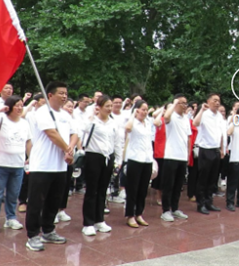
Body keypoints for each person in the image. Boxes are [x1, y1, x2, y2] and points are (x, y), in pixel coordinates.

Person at [25, 82, 77, 252]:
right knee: (36, 202)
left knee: (54, 201)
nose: (64, 96)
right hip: (42, 165)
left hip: (60, 166)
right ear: (50, 95)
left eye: (66, 93)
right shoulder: (42, 112)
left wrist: (70, 150)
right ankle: (32, 235)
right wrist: (68, 149)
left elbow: (74, 133)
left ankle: (48, 230)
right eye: (61, 93)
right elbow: (51, 134)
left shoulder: (66, 115)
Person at [0, 96, 31, 234]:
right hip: (0, 163)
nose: (20, 108)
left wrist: (30, 157)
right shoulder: (0, 119)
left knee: (13, 193)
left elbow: (28, 142)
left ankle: (11, 218)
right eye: (17, 105)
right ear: (9, 107)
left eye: (21, 105)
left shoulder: (24, 123)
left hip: (18, 164)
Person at [80, 95, 122, 236]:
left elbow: (117, 142)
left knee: (103, 190)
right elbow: (82, 130)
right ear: (99, 107)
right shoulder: (92, 122)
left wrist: (118, 159)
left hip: (108, 158)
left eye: (111, 106)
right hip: (93, 156)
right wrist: (92, 115)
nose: (110, 109)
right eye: (107, 106)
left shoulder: (113, 123)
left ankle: (99, 220)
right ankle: (88, 222)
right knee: (92, 190)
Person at [155, 94, 191, 222]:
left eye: (185, 103)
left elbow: (188, 137)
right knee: (168, 185)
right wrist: (174, 103)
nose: (184, 105)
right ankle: (165, 210)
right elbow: (166, 117)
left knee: (178, 185)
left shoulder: (186, 118)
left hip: (182, 157)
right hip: (171, 156)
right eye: (181, 103)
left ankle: (175, 208)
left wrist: (188, 154)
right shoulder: (172, 117)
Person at [123, 100, 154, 228]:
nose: (144, 112)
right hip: (135, 159)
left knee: (143, 189)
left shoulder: (148, 123)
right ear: (136, 110)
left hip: (147, 159)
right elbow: (128, 129)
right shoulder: (132, 122)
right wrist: (133, 115)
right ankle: (130, 215)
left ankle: (139, 213)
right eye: (142, 109)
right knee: (132, 189)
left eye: (146, 110)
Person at [193, 93, 226, 214]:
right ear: (208, 101)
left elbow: (221, 133)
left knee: (213, 179)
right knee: (203, 178)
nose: (217, 102)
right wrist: (201, 110)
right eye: (214, 100)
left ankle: (209, 201)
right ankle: (200, 204)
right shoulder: (204, 114)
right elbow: (195, 123)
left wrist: (222, 148)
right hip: (205, 150)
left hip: (216, 150)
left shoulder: (219, 116)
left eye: (219, 100)